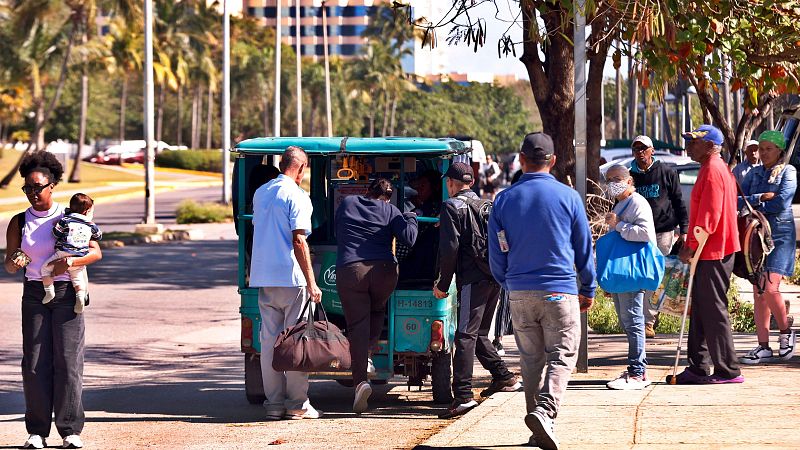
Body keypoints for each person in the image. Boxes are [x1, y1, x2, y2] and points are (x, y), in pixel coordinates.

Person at [488, 132, 596, 450]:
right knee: (563, 354)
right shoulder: (569, 197)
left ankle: (538, 429)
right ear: (553, 161)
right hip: (560, 290)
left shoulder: (503, 200)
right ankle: (546, 411)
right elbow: (584, 248)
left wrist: (509, 283)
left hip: (519, 291)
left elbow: (496, 253)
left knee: (530, 360)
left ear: (521, 160)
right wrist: (588, 286)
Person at [4, 151, 102, 449]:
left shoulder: (69, 216)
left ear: (52, 185)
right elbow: (10, 264)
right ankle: (37, 431)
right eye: (27, 188)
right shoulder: (19, 221)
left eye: (38, 187)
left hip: (67, 294)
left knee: (68, 362)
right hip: (34, 294)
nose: (33, 193)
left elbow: (95, 252)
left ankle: (70, 430)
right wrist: (16, 262)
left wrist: (68, 263)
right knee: (34, 364)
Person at [433, 162, 520, 419]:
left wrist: (442, 284)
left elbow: (450, 250)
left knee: (465, 336)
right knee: (480, 333)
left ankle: (463, 396)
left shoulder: (451, 207)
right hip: (494, 277)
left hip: (472, 279)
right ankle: (503, 377)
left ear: (450, 183)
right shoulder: (488, 205)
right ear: (471, 182)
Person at [250, 146, 324, 420]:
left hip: (264, 276)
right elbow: (299, 240)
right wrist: (312, 282)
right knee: (296, 342)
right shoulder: (298, 196)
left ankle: (273, 404)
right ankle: (297, 404)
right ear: (302, 168)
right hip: (291, 279)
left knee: (269, 341)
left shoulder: (261, 192)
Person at [335, 178, 418, 413]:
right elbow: (410, 238)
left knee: (357, 325)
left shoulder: (348, 203)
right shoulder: (391, 211)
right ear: (388, 198)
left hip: (351, 270)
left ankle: (360, 381)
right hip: (384, 271)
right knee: (378, 308)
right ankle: (369, 354)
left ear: (367, 191)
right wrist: (411, 216)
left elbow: (337, 231)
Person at [676, 125, 743, 384]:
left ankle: (728, 370)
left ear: (709, 145)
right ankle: (698, 366)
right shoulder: (712, 167)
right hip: (710, 250)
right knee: (702, 309)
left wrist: (690, 246)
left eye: (694, 142)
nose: (688, 147)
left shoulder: (714, 169)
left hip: (713, 250)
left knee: (713, 310)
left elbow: (709, 217)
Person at [738, 131, 796, 364]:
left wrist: (754, 203)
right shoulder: (754, 173)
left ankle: (785, 332)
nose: (763, 153)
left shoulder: (788, 172)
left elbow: (782, 202)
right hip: (756, 236)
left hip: (780, 236)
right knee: (759, 291)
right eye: (761, 149)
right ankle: (763, 346)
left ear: (779, 151)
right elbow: (738, 199)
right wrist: (761, 197)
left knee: (770, 288)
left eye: (768, 149)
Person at [602, 165, 656, 390]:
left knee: (634, 321)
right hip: (621, 272)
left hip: (632, 271)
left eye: (617, 179)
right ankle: (636, 368)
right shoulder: (621, 203)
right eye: (609, 179)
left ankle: (638, 372)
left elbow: (645, 234)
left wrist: (619, 225)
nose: (612, 183)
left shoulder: (637, 203)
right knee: (628, 321)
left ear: (629, 181)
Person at [628, 135, 688, 338]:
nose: (640, 152)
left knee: (655, 274)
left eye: (643, 148)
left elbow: (678, 201)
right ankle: (640, 317)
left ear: (652, 150)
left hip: (663, 231)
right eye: (636, 149)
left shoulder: (666, 172)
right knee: (640, 276)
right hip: (638, 234)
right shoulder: (629, 176)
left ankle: (648, 321)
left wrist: (684, 229)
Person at [41, 193, 102, 314]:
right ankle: (80, 296)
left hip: (63, 252)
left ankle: (49, 291)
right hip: (79, 256)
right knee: (77, 278)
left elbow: (56, 234)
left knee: (45, 268)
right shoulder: (90, 224)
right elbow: (98, 236)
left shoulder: (65, 220)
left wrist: (56, 225)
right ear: (87, 211)